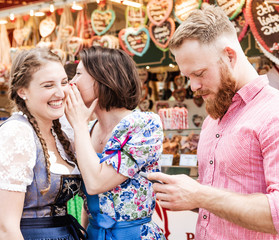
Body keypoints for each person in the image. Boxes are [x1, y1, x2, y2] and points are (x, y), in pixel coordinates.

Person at [148, 5, 279, 240]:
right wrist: (184, 195)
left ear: (229, 56)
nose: (193, 87)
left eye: (199, 73)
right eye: (188, 77)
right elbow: (223, 199)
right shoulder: (213, 119)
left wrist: (200, 195)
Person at [65, 46, 166, 240]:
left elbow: (96, 183)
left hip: (133, 235)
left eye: (78, 74)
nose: (72, 82)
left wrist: (78, 124)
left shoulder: (144, 125)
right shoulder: (89, 128)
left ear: (103, 77)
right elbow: (90, 202)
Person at [0, 48, 86, 239]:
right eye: (48, 86)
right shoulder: (17, 132)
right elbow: (6, 227)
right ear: (23, 92)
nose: (60, 92)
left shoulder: (62, 130)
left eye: (64, 82)